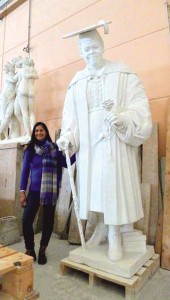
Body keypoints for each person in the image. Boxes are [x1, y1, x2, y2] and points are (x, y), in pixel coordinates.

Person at [57, 21, 152, 261]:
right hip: (89, 145)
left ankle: (115, 234)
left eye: (94, 47)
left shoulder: (123, 73)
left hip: (114, 143)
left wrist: (123, 119)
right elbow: (72, 120)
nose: (90, 52)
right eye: (85, 49)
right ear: (80, 53)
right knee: (94, 188)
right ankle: (100, 228)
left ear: (102, 45)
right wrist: (68, 137)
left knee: (112, 187)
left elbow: (140, 108)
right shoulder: (77, 81)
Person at [20, 121, 75, 264]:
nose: (39, 133)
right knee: (26, 220)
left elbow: (65, 163)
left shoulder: (54, 149)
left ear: (46, 132)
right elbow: (25, 172)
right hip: (34, 191)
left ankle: (43, 249)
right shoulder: (30, 150)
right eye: (36, 130)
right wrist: (22, 192)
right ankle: (30, 249)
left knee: (48, 222)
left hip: (50, 192)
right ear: (34, 133)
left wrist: (75, 150)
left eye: (41, 130)